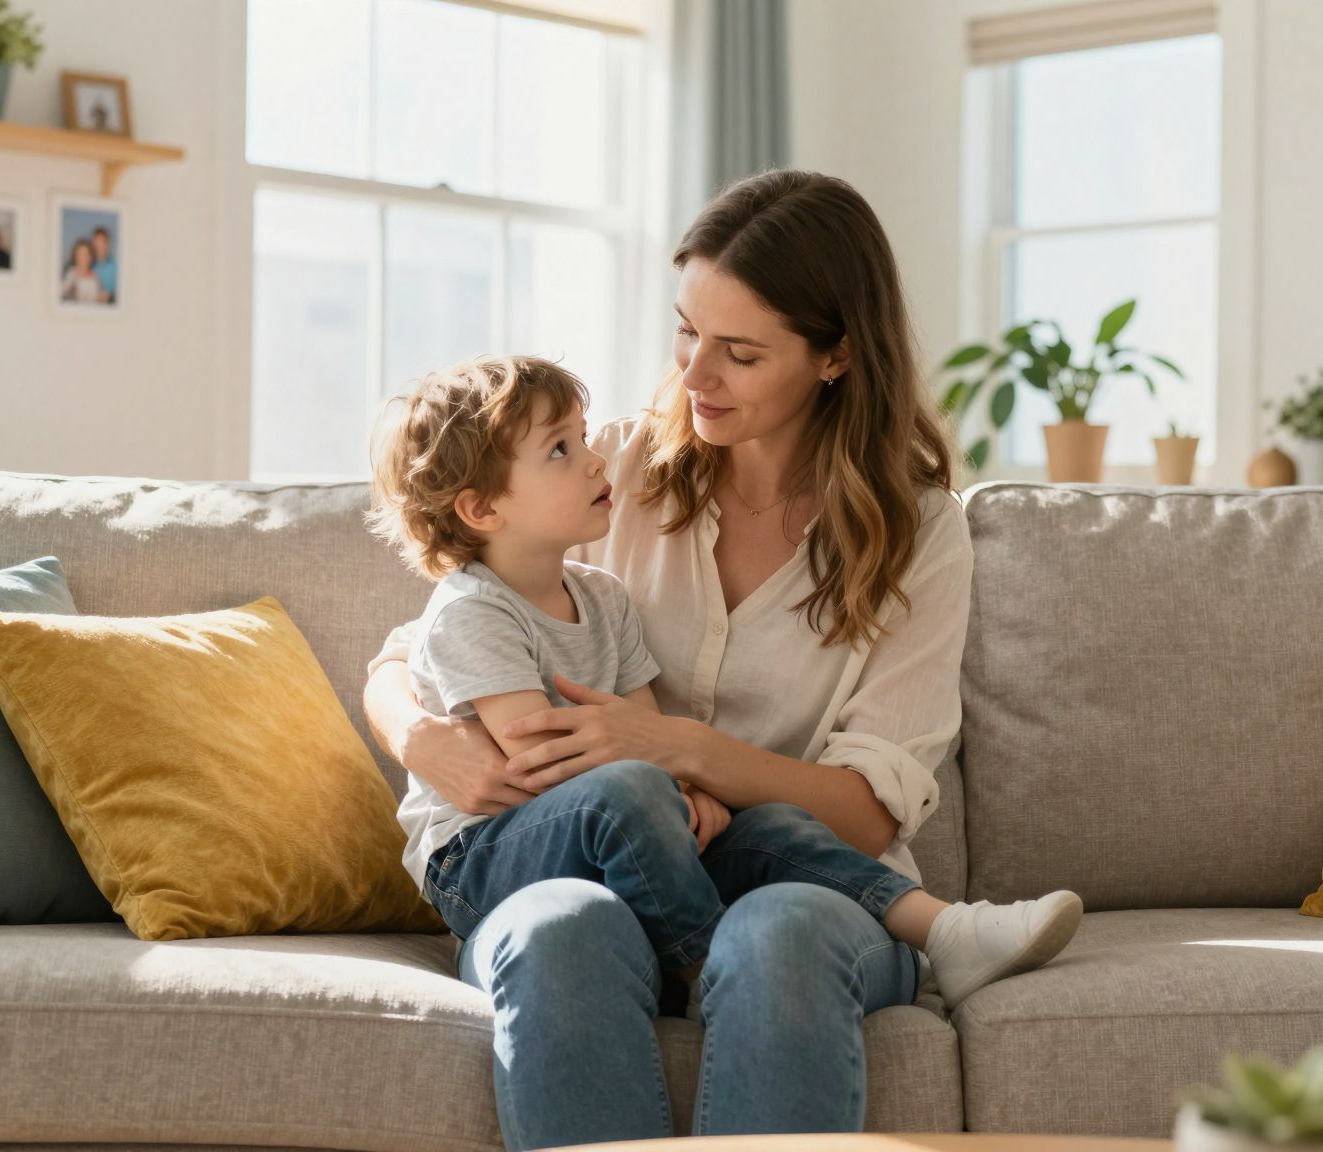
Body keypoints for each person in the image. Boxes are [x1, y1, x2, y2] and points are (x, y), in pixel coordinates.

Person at [362, 170, 1077, 1146]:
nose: (695, 375)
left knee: (774, 932)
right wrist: (420, 739)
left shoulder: (915, 533)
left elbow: (868, 809)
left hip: (798, 885)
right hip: (587, 873)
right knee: (557, 926)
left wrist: (676, 751)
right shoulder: (611, 472)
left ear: (835, 357)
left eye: (738, 353)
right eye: (687, 332)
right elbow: (425, 643)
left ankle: (911, 937)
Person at [364, 351, 1078, 1019]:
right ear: (481, 510)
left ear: (832, 357)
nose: (594, 457)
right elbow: (539, 758)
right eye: (561, 449)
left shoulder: (602, 595)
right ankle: (705, 966)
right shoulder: (472, 608)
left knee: (765, 824)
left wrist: (686, 789)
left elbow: (643, 728)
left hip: (618, 830)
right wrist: (657, 793)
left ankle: (947, 929)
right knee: (629, 793)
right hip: (493, 853)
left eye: (740, 350)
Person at [60, 239, 103, 303]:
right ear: (75, 256)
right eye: (80, 254)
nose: (84, 257)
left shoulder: (95, 275)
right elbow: (61, 292)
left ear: (91, 257)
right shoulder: (71, 273)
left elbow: (99, 297)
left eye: (86, 254)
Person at [89, 226, 117, 302]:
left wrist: (110, 295)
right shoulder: (88, 265)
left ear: (108, 243)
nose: (99, 246)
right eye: (96, 242)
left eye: (102, 242)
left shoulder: (116, 266)